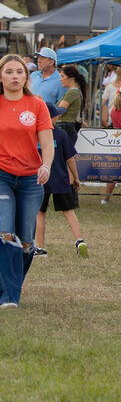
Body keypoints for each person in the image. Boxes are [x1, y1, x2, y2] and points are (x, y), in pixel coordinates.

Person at [0, 54, 54, 258]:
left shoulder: (37, 105)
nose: (15, 76)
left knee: (26, 243)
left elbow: (48, 143)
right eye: (9, 72)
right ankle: (9, 290)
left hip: (31, 179)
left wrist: (46, 166)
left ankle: (14, 285)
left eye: (20, 72)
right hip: (2, 175)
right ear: (1, 77)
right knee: (5, 234)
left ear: (26, 77)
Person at [35, 124, 85, 256]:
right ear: (54, 118)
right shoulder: (61, 134)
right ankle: (79, 240)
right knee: (69, 211)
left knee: (40, 213)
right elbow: (70, 158)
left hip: (40, 178)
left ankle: (40, 248)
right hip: (60, 179)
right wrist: (76, 177)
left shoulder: (35, 134)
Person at [53, 64, 86, 142]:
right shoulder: (74, 92)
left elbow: (59, 112)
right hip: (66, 128)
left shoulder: (72, 93)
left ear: (71, 78)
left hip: (64, 127)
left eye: (62, 76)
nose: (60, 79)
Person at [31, 47, 63, 113]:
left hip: (48, 119)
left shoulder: (61, 80)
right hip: (29, 116)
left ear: (51, 62)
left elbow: (61, 106)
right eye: (38, 58)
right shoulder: (33, 75)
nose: (38, 61)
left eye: (42, 58)